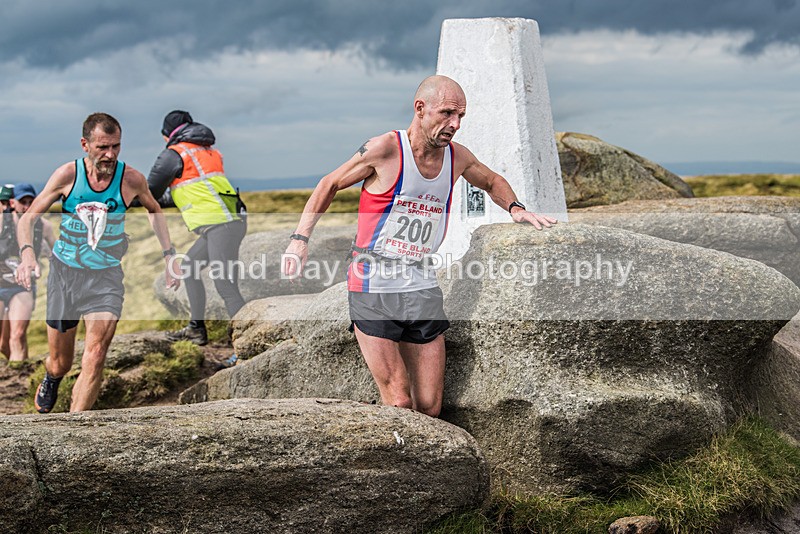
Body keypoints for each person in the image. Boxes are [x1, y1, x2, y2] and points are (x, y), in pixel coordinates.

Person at [282, 75, 557, 417]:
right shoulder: (385, 148)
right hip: (374, 283)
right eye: (447, 114)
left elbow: (491, 180)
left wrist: (515, 208)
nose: (455, 124)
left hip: (421, 282)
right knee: (399, 401)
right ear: (420, 108)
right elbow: (330, 183)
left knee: (429, 406)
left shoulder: (457, 157)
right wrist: (299, 240)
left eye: (460, 116)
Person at [16, 112, 180, 413]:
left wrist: (169, 255)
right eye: (103, 147)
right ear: (85, 144)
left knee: (95, 354)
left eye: (116, 146)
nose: (110, 154)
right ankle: (52, 377)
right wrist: (27, 254)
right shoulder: (67, 175)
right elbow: (28, 219)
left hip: (105, 277)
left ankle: (73, 428)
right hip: (65, 274)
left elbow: (155, 210)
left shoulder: (131, 179)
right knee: (61, 362)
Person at [147, 110, 246, 353]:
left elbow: (149, 192)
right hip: (229, 220)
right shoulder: (206, 150)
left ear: (167, 134)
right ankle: (196, 329)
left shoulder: (175, 153)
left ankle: (246, 345)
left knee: (225, 285)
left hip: (220, 224)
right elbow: (193, 191)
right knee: (190, 268)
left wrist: (127, 197)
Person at [0, 183, 56, 361]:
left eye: (30, 201)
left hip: (23, 286)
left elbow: (56, 253)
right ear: (13, 203)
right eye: (22, 201)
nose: (26, 206)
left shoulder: (44, 226)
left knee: (17, 335)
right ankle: (18, 366)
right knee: (2, 343)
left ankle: (19, 372)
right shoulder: (2, 222)